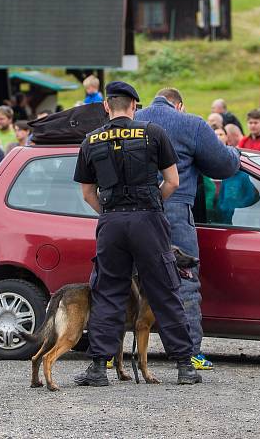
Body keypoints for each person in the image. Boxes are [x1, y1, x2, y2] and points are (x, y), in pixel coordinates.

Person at [72, 81, 201, 387]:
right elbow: (172, 181)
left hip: (112, 221)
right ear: (134, 106)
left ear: (107, 106)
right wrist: (152, 204)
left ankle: (98, 369)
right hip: (148, 220)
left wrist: (109, 213)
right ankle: (184, 366)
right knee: (165, 289)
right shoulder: (154, 133)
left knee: (108, 292)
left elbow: (88, 193)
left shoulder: (91, 140)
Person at [135, 88, 240, 371]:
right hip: (175, 208)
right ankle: (189, 352)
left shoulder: (133, 118)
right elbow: (224, 165)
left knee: (123, 278)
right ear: (179, 105)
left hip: (131, 209)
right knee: (185, 278)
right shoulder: (190, 124)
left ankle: (107, 353)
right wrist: (235, 152)